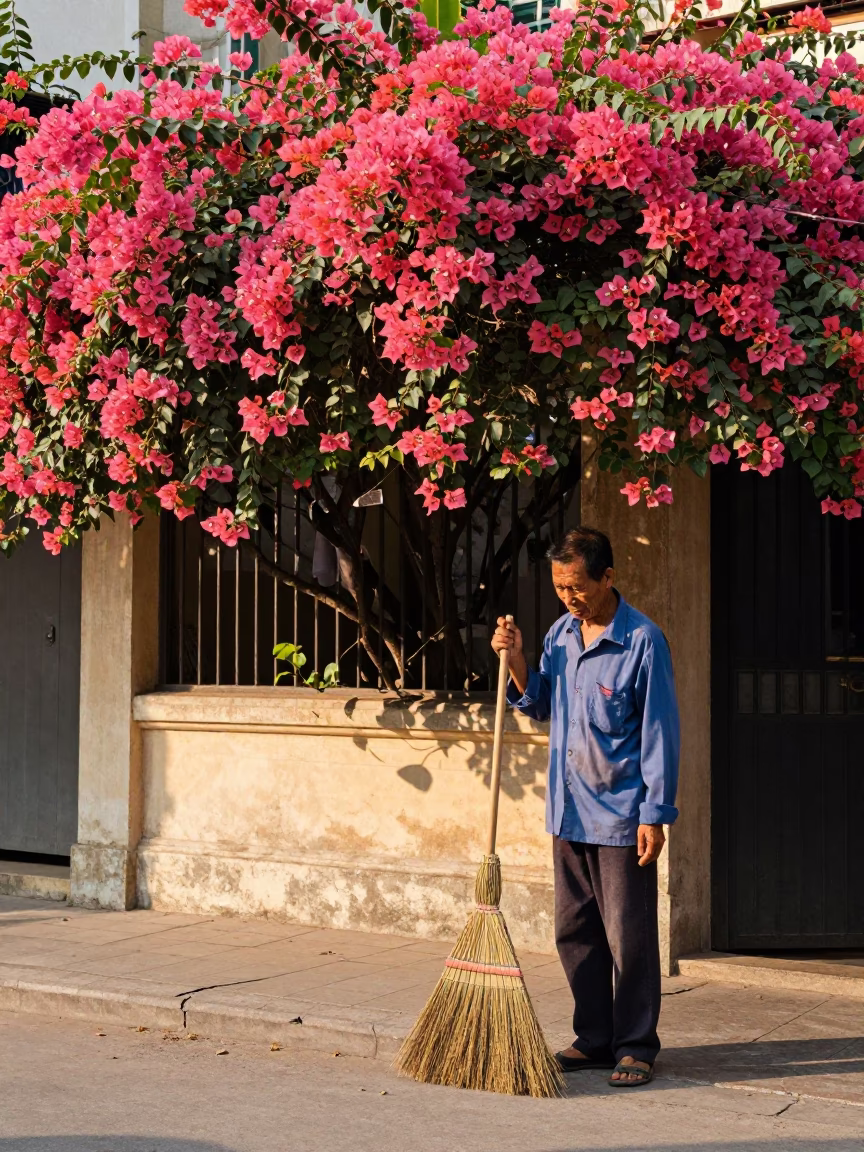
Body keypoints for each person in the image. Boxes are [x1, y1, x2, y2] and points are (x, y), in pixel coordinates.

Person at [491, 526, 679, 1088]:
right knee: (574, 932)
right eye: (559, 587)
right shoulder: (558, 635)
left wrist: (655, 812)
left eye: (577, 586)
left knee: (629, 935)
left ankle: (636, 1044)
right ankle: (594, 1037)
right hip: (568, 811)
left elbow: (660, 732)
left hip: (621, 813)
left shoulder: (643, 641)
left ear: (607, 578)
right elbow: (540, 702)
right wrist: (519, 658)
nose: (568, 598)